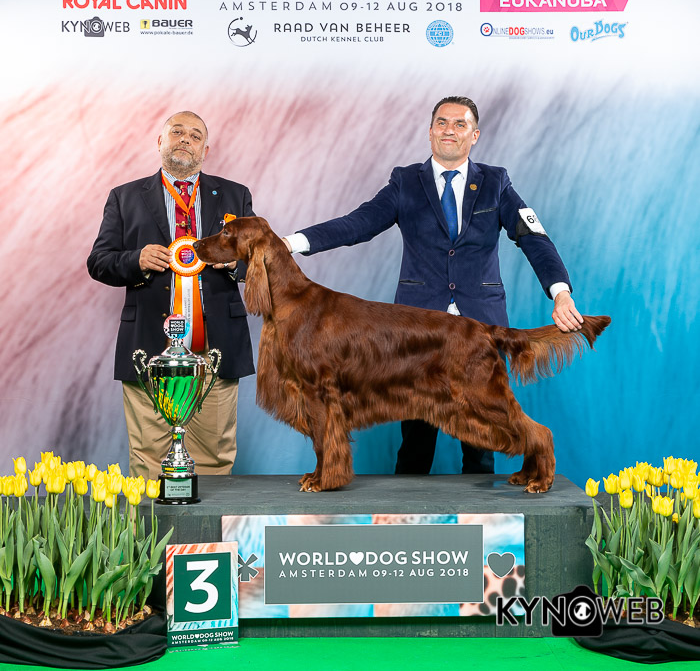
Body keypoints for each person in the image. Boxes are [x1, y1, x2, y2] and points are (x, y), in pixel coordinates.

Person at [283, 96, 583, 475]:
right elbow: (358, 223)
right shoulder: (406, 182)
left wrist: (560, 292)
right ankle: (408, 510)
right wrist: (291, 242)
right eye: (442, 122)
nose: (449, 130)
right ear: (429, 132)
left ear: (475, 135)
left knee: (483, 443)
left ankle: (481, 509)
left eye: (460, 124)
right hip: (416, 333)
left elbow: (533, 237)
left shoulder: (496, 183)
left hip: (479, 327)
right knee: (415, 443)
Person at [88, 111, 255, 479]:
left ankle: (210, 521)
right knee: (149, 457)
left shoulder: (236, 195)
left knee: (214, 455)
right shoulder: (124, 197)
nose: (185, 139)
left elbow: (260, 261)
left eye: (195, 136)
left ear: (205, 150)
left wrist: (234, 263)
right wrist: (136, 260)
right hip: (149, 343)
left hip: (216, 346)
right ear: (160, 142)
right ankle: (152, 520)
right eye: (176, 132)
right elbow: (98, 262)